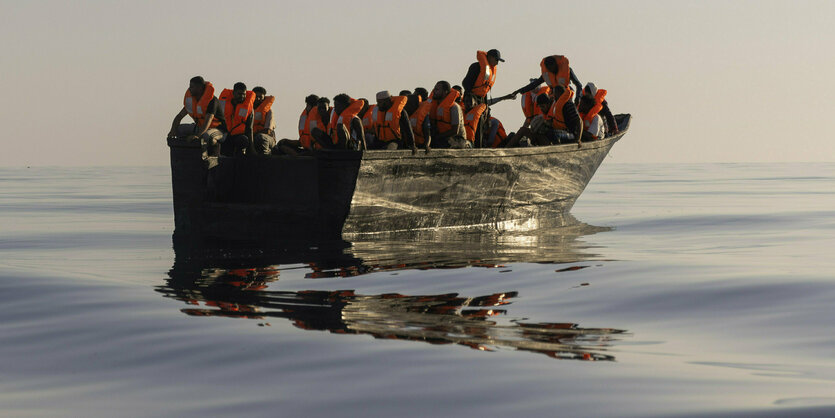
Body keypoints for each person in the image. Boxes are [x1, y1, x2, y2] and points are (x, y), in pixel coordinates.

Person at [167, 76, 225, 159]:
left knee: (206, 136)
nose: (189, 89)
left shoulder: (212, 101)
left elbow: (208, 121)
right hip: (201, 128)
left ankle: (214, 155)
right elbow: (179, 116)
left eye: (192, 87)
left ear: (199, 88)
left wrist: (197, 136)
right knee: (179, 129)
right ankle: (187, 155)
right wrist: (172, 130)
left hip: (218, 130)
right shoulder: (191, 100)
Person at [507, 84, 581, 147]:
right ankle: (506, 149)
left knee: (549, 133)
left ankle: (553, 152)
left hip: (569, 135)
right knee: (523, 130)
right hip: (553, 134)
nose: (541, 109)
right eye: (540, 107)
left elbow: (579, 121)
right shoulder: (553, 108)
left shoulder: (567, 105)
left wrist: (578, 139)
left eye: (543, 107)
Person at [513, 55, 583, 105]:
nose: (551, 70)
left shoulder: (567, 70)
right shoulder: (546, 74)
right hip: (553, 98)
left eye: (552, 68)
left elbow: (579, 85)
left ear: (556, 65)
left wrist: (578, 97)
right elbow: (534, 85)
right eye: (549, 69)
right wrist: (519, 91)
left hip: (566, 98)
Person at [218, 82, 255, 156]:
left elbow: (249, 128)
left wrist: (251, 148)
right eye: (239, 94)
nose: (242, 96)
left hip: (239, 136)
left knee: (243, 140)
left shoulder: (249, 109)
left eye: (244, 94)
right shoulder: (223, 104)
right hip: (225, 133)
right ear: (233, 93)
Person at [428, 81, 467, 149]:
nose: (434, 92)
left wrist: (437, 137)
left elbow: (455, 131)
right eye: (434, 89)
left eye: (437, 90)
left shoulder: (454, 107)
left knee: (441, 144)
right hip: (443, 137)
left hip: (458, 139)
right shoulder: (436, 106)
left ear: (445, 92)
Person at [251, 86, 275, 155]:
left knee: (261, 137)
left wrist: (251, 135)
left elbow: (267, 131)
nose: (258, 99)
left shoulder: (269, 112)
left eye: (260, 97)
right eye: (256, 97)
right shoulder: (247, 110)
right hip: (251, 136)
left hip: (267, 138)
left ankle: (266, 156)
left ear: (264, 98)